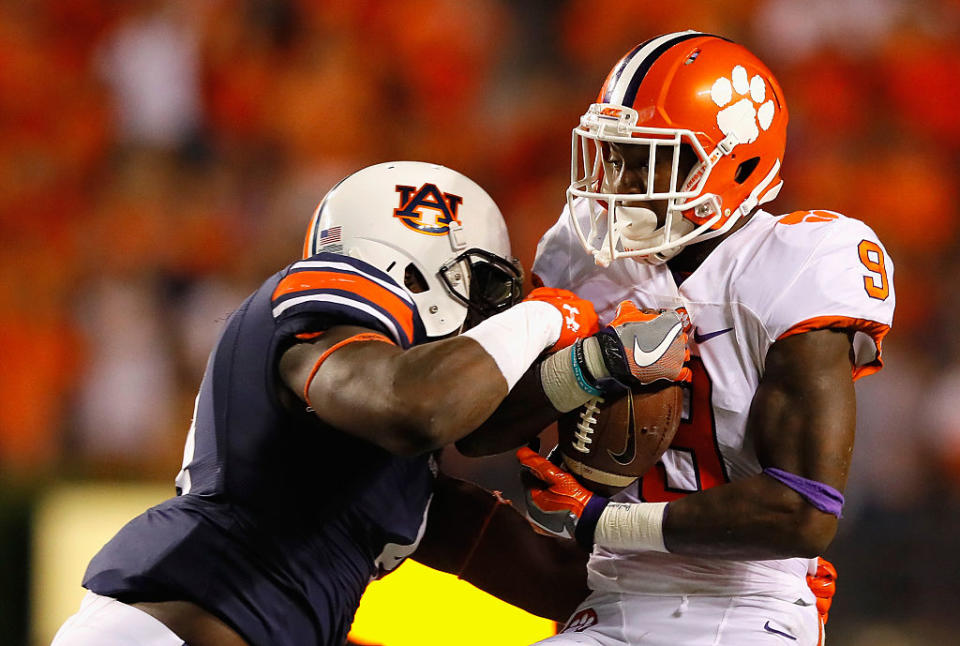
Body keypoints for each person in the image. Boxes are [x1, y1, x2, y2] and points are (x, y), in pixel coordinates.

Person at [50, 161, 621, 646]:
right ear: (425, 268)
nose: (488, 318)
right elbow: (415, 405)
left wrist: (667, 556)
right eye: (489, 291)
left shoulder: (388, 477)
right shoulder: (326, 303)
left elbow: (555, 579)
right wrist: (547, 315)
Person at [510, 31, 893, 646]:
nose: (624, 184)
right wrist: (584, 367)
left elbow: (803, 511)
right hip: (608, 596)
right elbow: (487, 430)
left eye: (654, 161)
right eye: (619, 157)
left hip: (749, 601)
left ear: (736, 162)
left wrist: (603, 520)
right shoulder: (581, 256)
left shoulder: (799, 261)